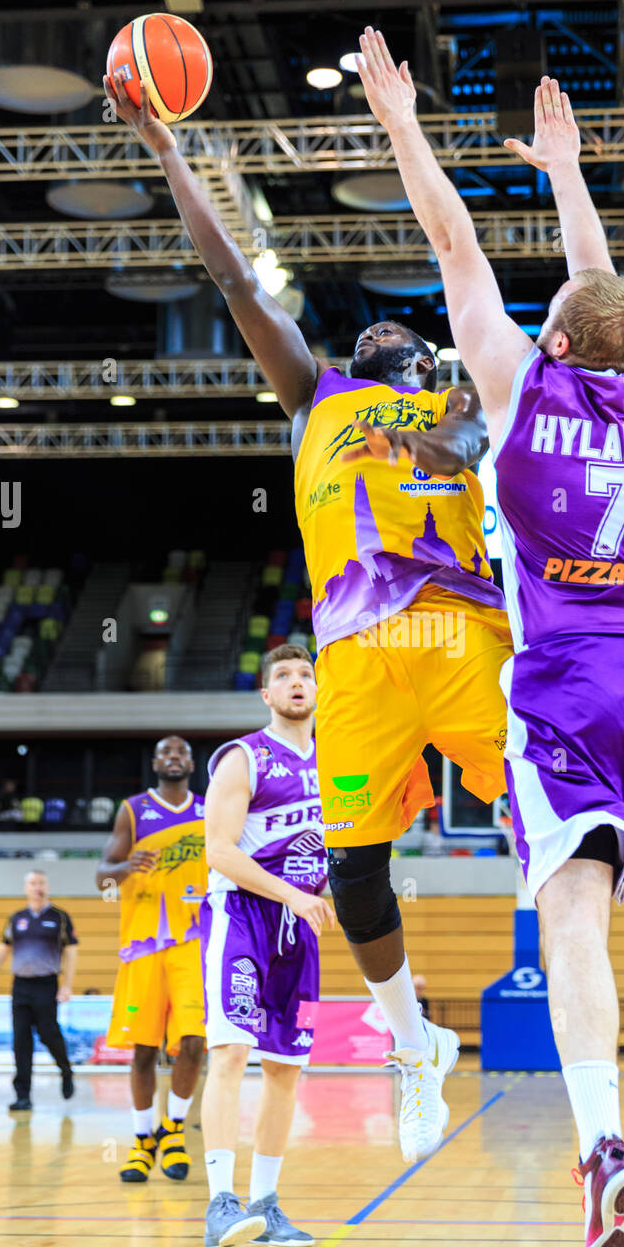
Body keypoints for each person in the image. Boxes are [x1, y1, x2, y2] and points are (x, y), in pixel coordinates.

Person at [354, 29, 624, 1247]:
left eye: (549, 318)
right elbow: (602, 288)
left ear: (557, 343)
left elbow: (455, 245)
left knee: (572, 913)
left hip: (565, 682)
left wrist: (403, 125)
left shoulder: (520, 387)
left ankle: (601, 1147)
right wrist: (570, 178)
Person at [104, 68, 513, 1168]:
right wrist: (162, 147)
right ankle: (414, 1038)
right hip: (356, 663)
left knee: (560, 810)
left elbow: (474, 447)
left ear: (422, 356)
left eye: (401, 325)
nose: (380, 323)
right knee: (355, 872)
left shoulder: (456, 392)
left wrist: (438, 434)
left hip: (464, 634)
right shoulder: (313, 394)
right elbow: (231, 271)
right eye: (366, 327)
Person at [199, 644, 334, 1247]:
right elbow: (220, 851)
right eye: (283, 676)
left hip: (301, 929)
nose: (297, 682)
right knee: (230, 1053)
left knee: (286, 1069)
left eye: (305, 674)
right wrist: (295, 895)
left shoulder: (340, 760)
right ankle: (220, 1202)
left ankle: (265, 1203)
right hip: (244, 916)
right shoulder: (242, 758)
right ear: (265, 694)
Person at [96, 736, 207, 1184]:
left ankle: (174, 1130)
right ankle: (143, 1141)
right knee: (143, 1050)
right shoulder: (133, 809)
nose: (174, 757)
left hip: (194, 942)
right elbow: (102, 875)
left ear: (192, 763)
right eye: (166, 752)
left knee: (195, 1042)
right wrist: (123, 869)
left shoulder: (209, 809)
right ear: (156, 762)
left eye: (181, 751)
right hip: (144, 945)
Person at [0, 870, 76, 1110]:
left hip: (47, 984)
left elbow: (71, 952)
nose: (37, 887)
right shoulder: (16, 918)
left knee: (48, 1034)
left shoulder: (60, 917)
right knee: (21, 1040)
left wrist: (67, 985)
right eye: (33, 883)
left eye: (41, 882)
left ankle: (66, 1070)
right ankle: (23, 1095)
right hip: (21, 985)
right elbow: (2, 949)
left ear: (47, 886)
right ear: (26, 888)